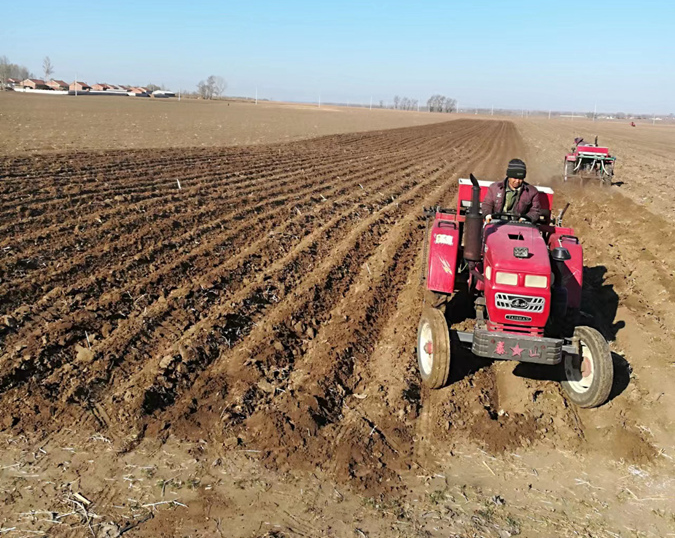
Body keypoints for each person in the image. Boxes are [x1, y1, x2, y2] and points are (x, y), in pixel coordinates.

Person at [481, 159, 541, 223]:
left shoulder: (532, 192)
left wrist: (526, 218)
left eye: (520, 178)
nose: (517, 181)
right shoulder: (494, 188)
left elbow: (535, 211)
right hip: (496, 223)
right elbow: (487, 204)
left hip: (519, 225)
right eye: (514, 178)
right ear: (508, 176)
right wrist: (487, 215)